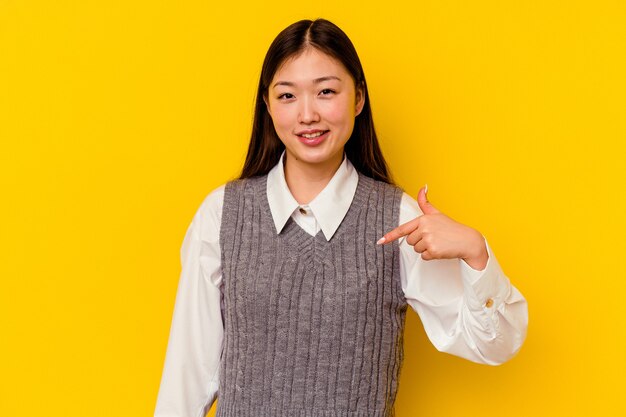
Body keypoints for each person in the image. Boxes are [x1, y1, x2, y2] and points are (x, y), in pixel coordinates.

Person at [154, 18, 528, 417]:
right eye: (287, 96)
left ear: (358, 99)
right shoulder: (223, 215)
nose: (308, 114)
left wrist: (475, 252)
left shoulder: (398, 220)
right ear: (267, 104)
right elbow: (187, 378)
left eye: (326, 91)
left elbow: (495, 343)